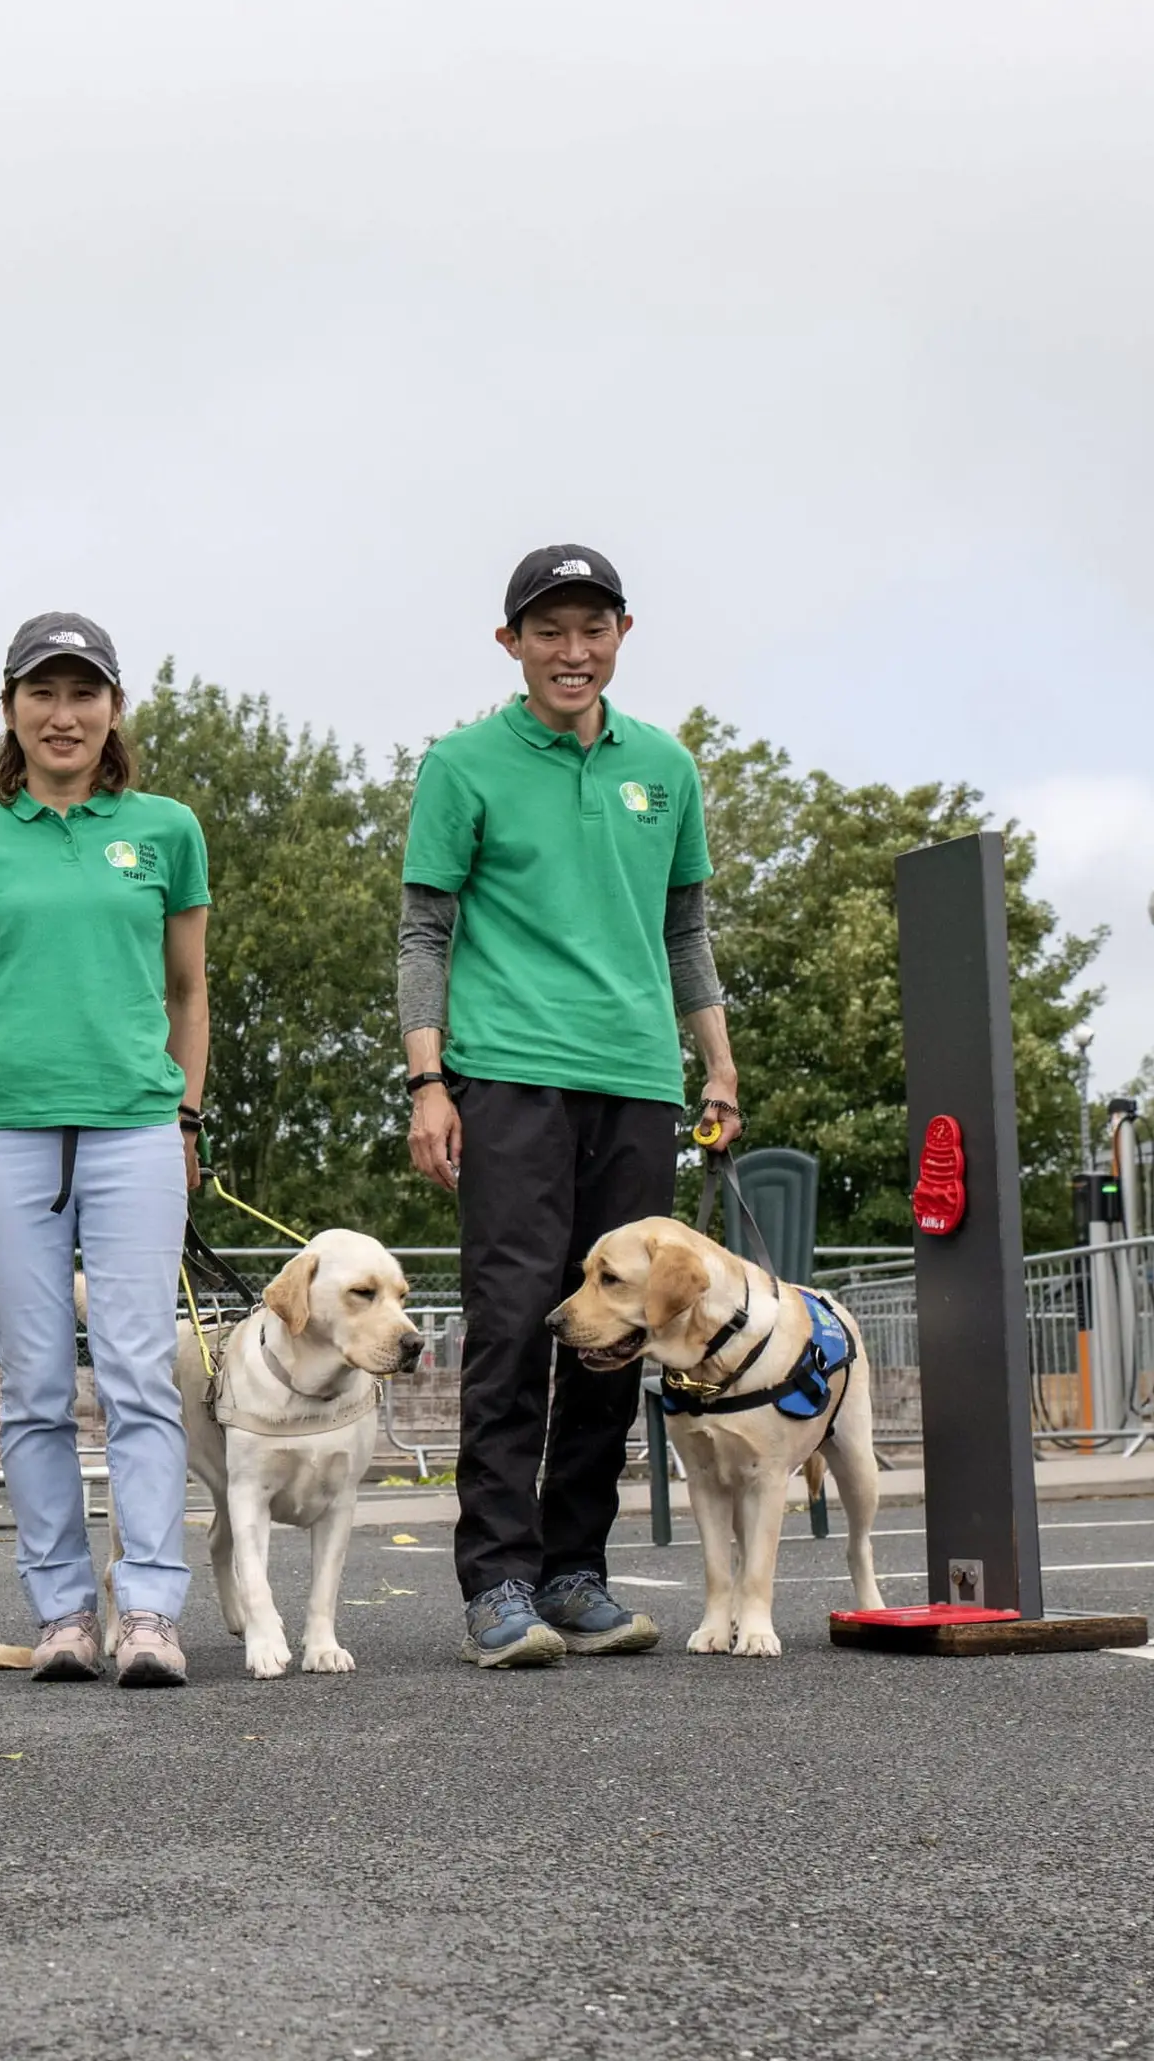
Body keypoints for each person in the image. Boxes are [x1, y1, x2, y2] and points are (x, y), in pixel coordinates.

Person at [397, 545, 739, 1668]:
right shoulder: (463, 762)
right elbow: (424, 934)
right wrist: (428, 1080)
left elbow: (685, 931)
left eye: (592, 629)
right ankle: (497, 1581)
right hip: (509, 1077)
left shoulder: (667, 769)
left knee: (618, 1333)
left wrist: (716, 1064)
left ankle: (576, 1570)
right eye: (549, 631)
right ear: (513, 644)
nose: (572, 651)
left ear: (623, 636)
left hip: (638, 1079)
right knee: (511, 1327)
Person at [0, 612, 210, 1686]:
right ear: (10, 709)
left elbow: (189, 989)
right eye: (43, 692)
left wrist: (185, 1119)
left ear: (113, 709)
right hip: (5, 1130)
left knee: (139, 1374)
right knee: (33, 1384)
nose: (64, 713)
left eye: (84, 692)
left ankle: (151, 1612)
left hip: (136, 1124)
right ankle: (62, 1613)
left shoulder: (167, 829)